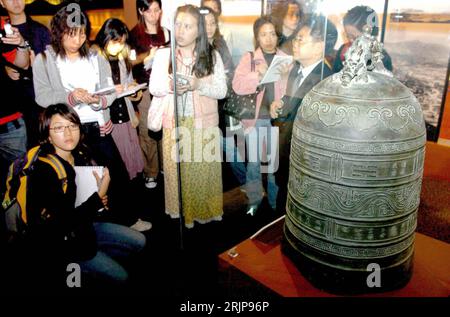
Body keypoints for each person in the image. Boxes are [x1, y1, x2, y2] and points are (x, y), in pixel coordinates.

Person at [25, 103, 146, 287]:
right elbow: (61, 225)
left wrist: (98, 199)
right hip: (62, 244)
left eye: (72, 125)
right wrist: (98, 196)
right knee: (122, 277)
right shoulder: (44, 171)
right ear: (47, 135)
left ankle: (95, 260)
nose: (68, 133)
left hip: (84, 227)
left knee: (140, 241)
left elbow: (82, 202)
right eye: (59, 128)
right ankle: (76, 273)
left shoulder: (79, 153)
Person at [149, 4, 227, 228]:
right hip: (173, 124)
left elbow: (221, 90)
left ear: (198, 31)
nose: (181, 30)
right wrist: (171, 85)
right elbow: (154, 87)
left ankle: (202, 217)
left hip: (203, 125)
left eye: (188, 26)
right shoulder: (164, 54)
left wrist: (198, 84)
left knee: (201, 177)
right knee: (178, 176)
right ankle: (183, 217)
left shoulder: (211, 55)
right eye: (178, 24)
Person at [270, 15, 336, 214]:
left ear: (319, 46)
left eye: (301, 39)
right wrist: (279, 105)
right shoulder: (297, 71)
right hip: (288, 156)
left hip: (306, 166)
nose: (295, 43)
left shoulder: (326, 80)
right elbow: (292, 107)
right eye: (296, 38)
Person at [232, 15, 290, 216]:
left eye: (272, 33)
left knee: (275, 165)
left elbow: (290, 90)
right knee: (255, 163)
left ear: (277, 35)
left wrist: (283, 85)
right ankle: (254, 200)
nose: (268, 39)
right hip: (256, 119)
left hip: (278, 120)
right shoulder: (249, 58)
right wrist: (258, 74)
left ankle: (275, 203)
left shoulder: (285, 59)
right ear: (257, 37)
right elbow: (237, 85)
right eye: (263, 34)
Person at [201, 6, 245, 188]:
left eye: (213, 23)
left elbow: (230, 69)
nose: (209, 27)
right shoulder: (196, 48)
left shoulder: (220, 43)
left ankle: (245, 184)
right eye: (205, 24)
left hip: (223, 104)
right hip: (205, 107)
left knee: (229, 148)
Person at [129, 0, 169, 189]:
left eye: (157, 10)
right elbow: (128, 62)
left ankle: (166, 167)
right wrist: (147, 56)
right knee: (147, 130)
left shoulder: (166, 32)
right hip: (144, 87)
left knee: (165, 127)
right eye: (149, 11)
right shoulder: (134, 35)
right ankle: (151, 171)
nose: (154, 15)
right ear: (141, 11)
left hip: (165, 87)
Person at [0, 0, 51, 147]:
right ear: (2, 3)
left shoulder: (40, 31)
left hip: (37, 102)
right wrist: (5, 69)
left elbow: (52, 69)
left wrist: (36, 67)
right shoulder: (3, 30)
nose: (16, 2)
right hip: (11, 106)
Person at [0, 18, 30, 194]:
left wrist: (21, 44)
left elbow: (23, 63)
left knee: (21, 186)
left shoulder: (2, 25)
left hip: (10, 123)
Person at [333, 5, 393, 73]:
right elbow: (335, 74)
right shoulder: (343, 51)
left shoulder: (381, 59)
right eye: (348, 36)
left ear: (370, 34)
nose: (350, 40)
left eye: (355, 37)